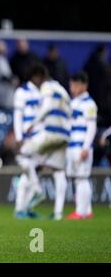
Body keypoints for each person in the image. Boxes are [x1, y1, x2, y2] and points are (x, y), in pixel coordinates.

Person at [20, 64, 71, 220]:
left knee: (23, 155)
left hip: (51, 133)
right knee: (58, 171)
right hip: (64, 135)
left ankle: (36, 189)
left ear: (39, 77)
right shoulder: (62, 90)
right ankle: (58, 212)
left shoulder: (47, 86)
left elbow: (47, 107)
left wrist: (32, 123)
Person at [65, 72, 97, 219]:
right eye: (72, 84)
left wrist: (86, 147)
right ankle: (87, 210)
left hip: (81, 146)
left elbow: (92, 128)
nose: (73, 87)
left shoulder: (89, 104)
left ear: (84, 85)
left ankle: (81, 211)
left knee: (82, 178)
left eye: (76, 84)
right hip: (72, 145)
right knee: (79, 178)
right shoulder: (73, 102)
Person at [13, 70, 42, 219]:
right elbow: (17, 115)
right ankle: (34, 194)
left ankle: (22, 208)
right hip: (26, 138)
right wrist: (18, 136)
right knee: (28, 169)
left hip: (38, 139)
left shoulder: (40, 92)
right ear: (36, 77)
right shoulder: (22, 92)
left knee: (28, 172)